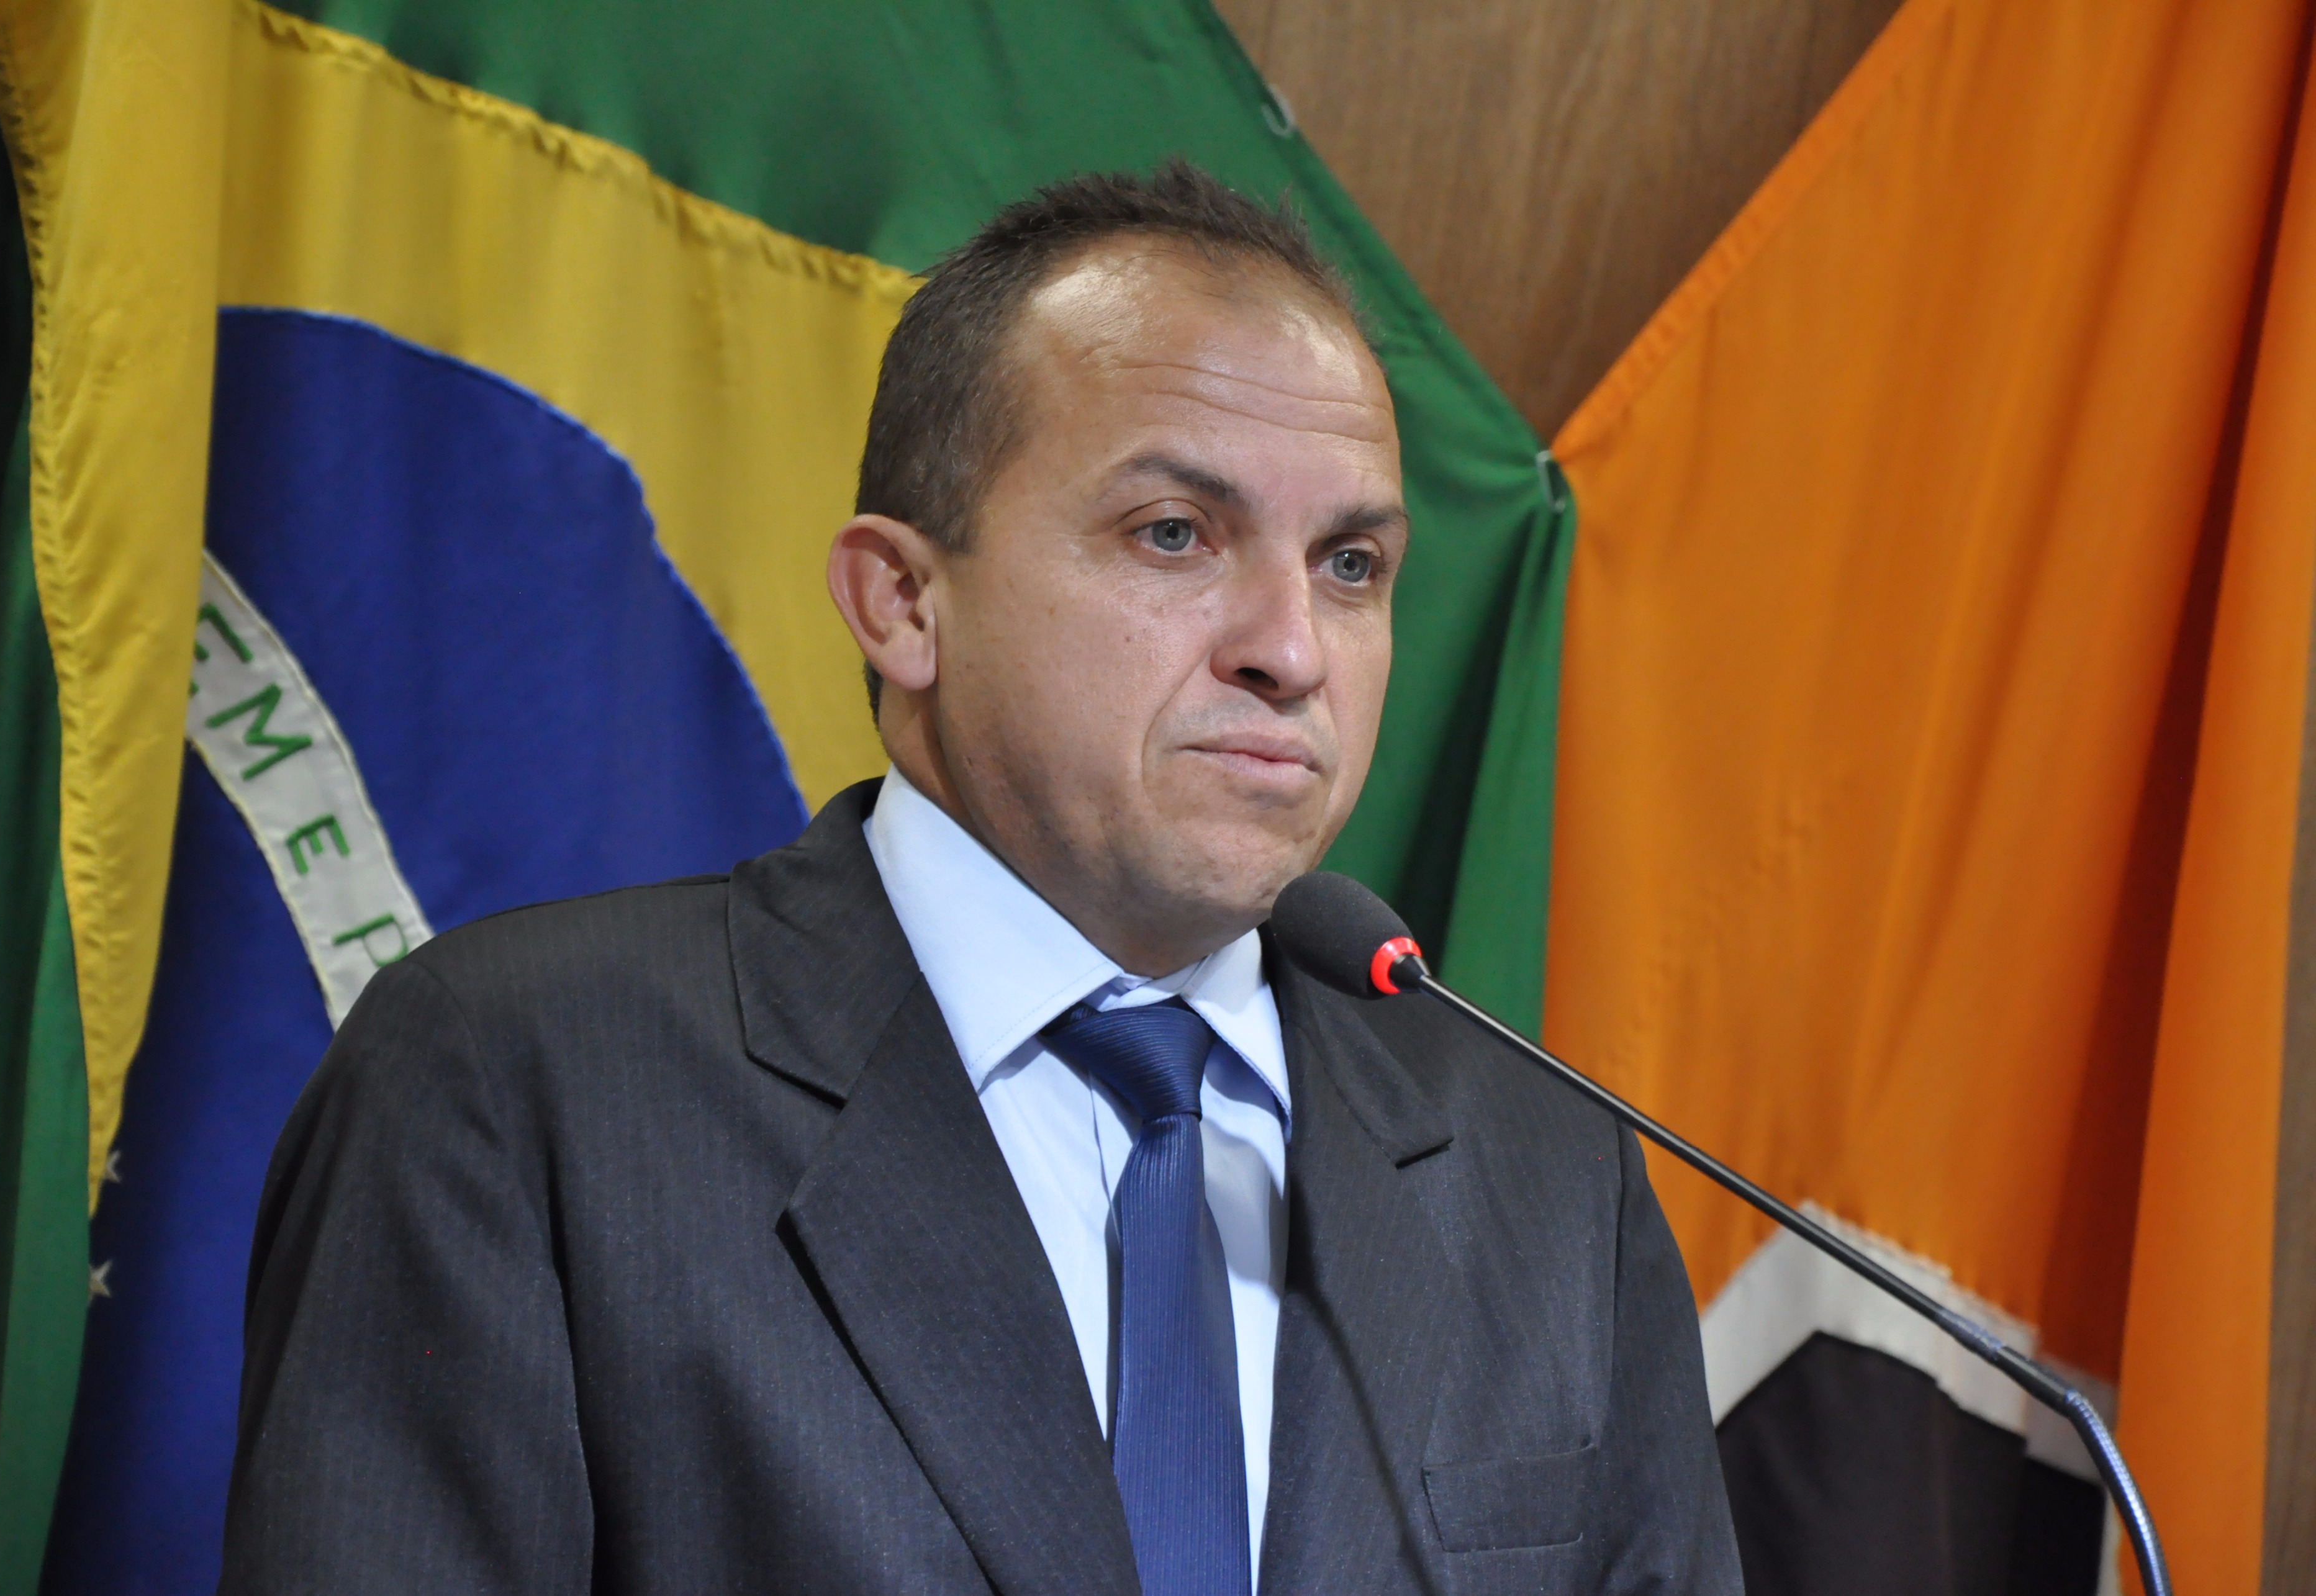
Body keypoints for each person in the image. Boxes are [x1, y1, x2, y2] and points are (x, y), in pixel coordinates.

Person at [220, 161, 1740, 1596]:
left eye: (1350, 564)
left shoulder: (1545, 1167)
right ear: (902, 601)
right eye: (1175, 533)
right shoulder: (523, 1082)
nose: (1291, 649)